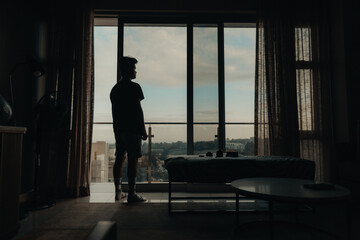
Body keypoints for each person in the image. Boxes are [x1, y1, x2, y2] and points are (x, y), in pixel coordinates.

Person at [110, 56, 147, 203]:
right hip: (132, 130)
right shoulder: (134, 87)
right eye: (133, 68)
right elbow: (138, 111)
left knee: (119, 159)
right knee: (132, 161)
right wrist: (143, 130)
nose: (135, 71)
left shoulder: (115, 89)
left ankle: (118, 192)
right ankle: (132, 193)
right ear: (127, 69)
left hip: (119, 130)